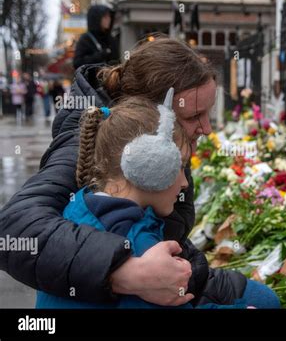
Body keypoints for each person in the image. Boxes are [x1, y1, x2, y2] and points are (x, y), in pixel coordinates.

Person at [0, 35, 280, 308]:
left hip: (147, 264)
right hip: (116, 285)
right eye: (194, 116)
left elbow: (166, 237)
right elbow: (14, 230)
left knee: (265, 299)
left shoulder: (162, 145)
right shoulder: (95, 141)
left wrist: (190, 270)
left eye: (208, 113)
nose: (207, 129)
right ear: (151, 113)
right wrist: (125, 273)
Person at [36, 95, 252, 309]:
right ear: (149, 166)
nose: (185, 182)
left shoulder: (81, 205)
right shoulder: (142, 248)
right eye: (179, 167)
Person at [73, 4, 119, 69]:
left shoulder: (111, 39)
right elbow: (77, 63)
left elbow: (117, 62)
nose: (109, 19)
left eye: (109, 16)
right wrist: (100, 55)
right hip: (91, 78)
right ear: (96, 18)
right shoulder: (85, 39)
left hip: (108, 78)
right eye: (105, 17)